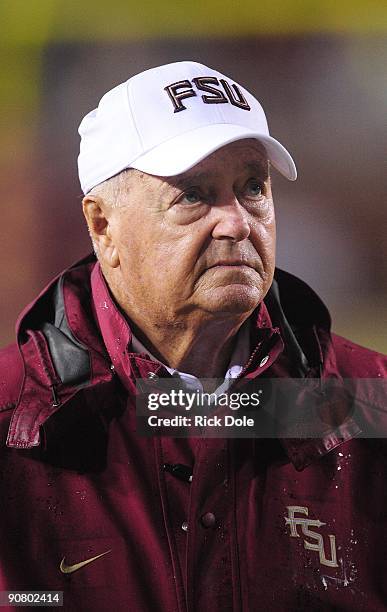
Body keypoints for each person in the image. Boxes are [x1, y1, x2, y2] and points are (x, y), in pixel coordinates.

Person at [0, 61, 385, 612]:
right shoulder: (18, 423)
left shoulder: (371, 404)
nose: (237, 222)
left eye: (253, 187)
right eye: (194, 195)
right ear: (103, 224)